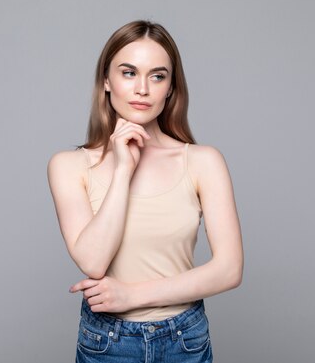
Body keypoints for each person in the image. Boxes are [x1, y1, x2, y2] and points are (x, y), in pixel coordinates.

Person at [47, 20, 244, 362]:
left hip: (184, 339)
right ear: (106, 81)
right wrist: (124, 169)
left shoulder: (202, 162)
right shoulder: (69, 166)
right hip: (108, 342)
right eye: (128, 73)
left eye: (157, 76)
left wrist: (131, 296)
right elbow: (93, 261)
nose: (142, 89)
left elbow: (229, 269)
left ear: (170, 88)